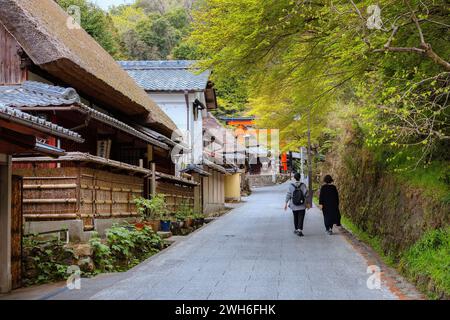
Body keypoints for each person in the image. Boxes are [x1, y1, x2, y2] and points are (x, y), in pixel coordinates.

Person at [284, 172, 309, 237]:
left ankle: (296, 229)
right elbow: (307, 194)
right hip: (302, 205)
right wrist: (308, 203)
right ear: (300, 178)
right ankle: (299, 230)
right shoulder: (303, 185)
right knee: (301, 217)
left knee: (295, 217)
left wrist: (286, 203)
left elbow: (288, 195)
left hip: (293, 205)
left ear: (294, 178)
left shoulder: (291, 185)